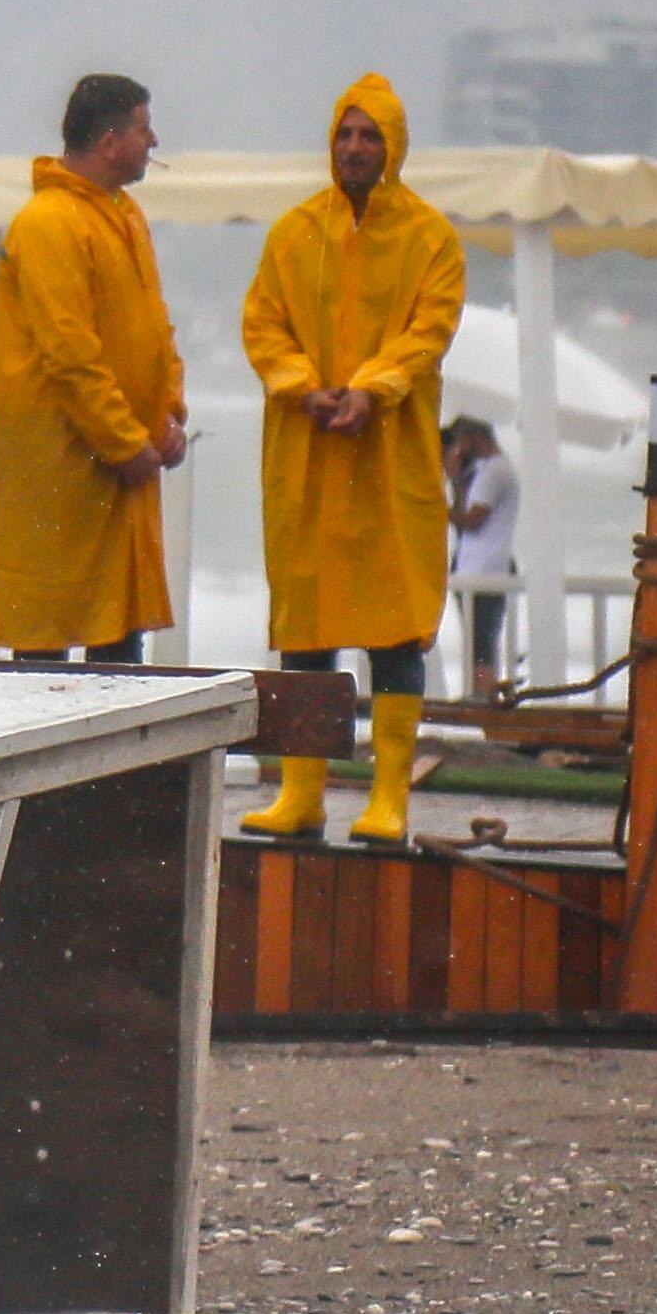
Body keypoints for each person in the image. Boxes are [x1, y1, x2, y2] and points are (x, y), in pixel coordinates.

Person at [234, 75, 463, 840]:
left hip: (389, 457)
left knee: (395, 629)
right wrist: (301, 387)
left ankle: (388, 797)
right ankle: (300, 793)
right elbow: (263, 325)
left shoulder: (432, 239)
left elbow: (429, 331)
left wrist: (372, 389)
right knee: (306, 628)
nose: (356, 148)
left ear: (395, 146)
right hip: (307, 453)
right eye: (345, 133)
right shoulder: (294, 233)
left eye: (370, 136)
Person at [0, 73, 187, 660]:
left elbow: (155, 329)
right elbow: (70, 355)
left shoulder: (124, 216)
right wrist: (125, 443)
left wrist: (169, 416)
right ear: (109, 141)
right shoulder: (49, 222)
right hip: (65, 466)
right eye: (144, 128)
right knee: (48, 638)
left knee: (119, 639)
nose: (153, 141)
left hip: (125, 462)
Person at [444, 416, 516, 698]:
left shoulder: (496, 471)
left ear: (473, 437)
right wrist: (457, 479)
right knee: (478, 641)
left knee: (482, 640)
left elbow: (473, 520)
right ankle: (481, 693)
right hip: (475, 565)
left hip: (486, 568)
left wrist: (435, 509)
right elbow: (466, 516)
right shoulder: (487, 470)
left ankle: (485, 696)